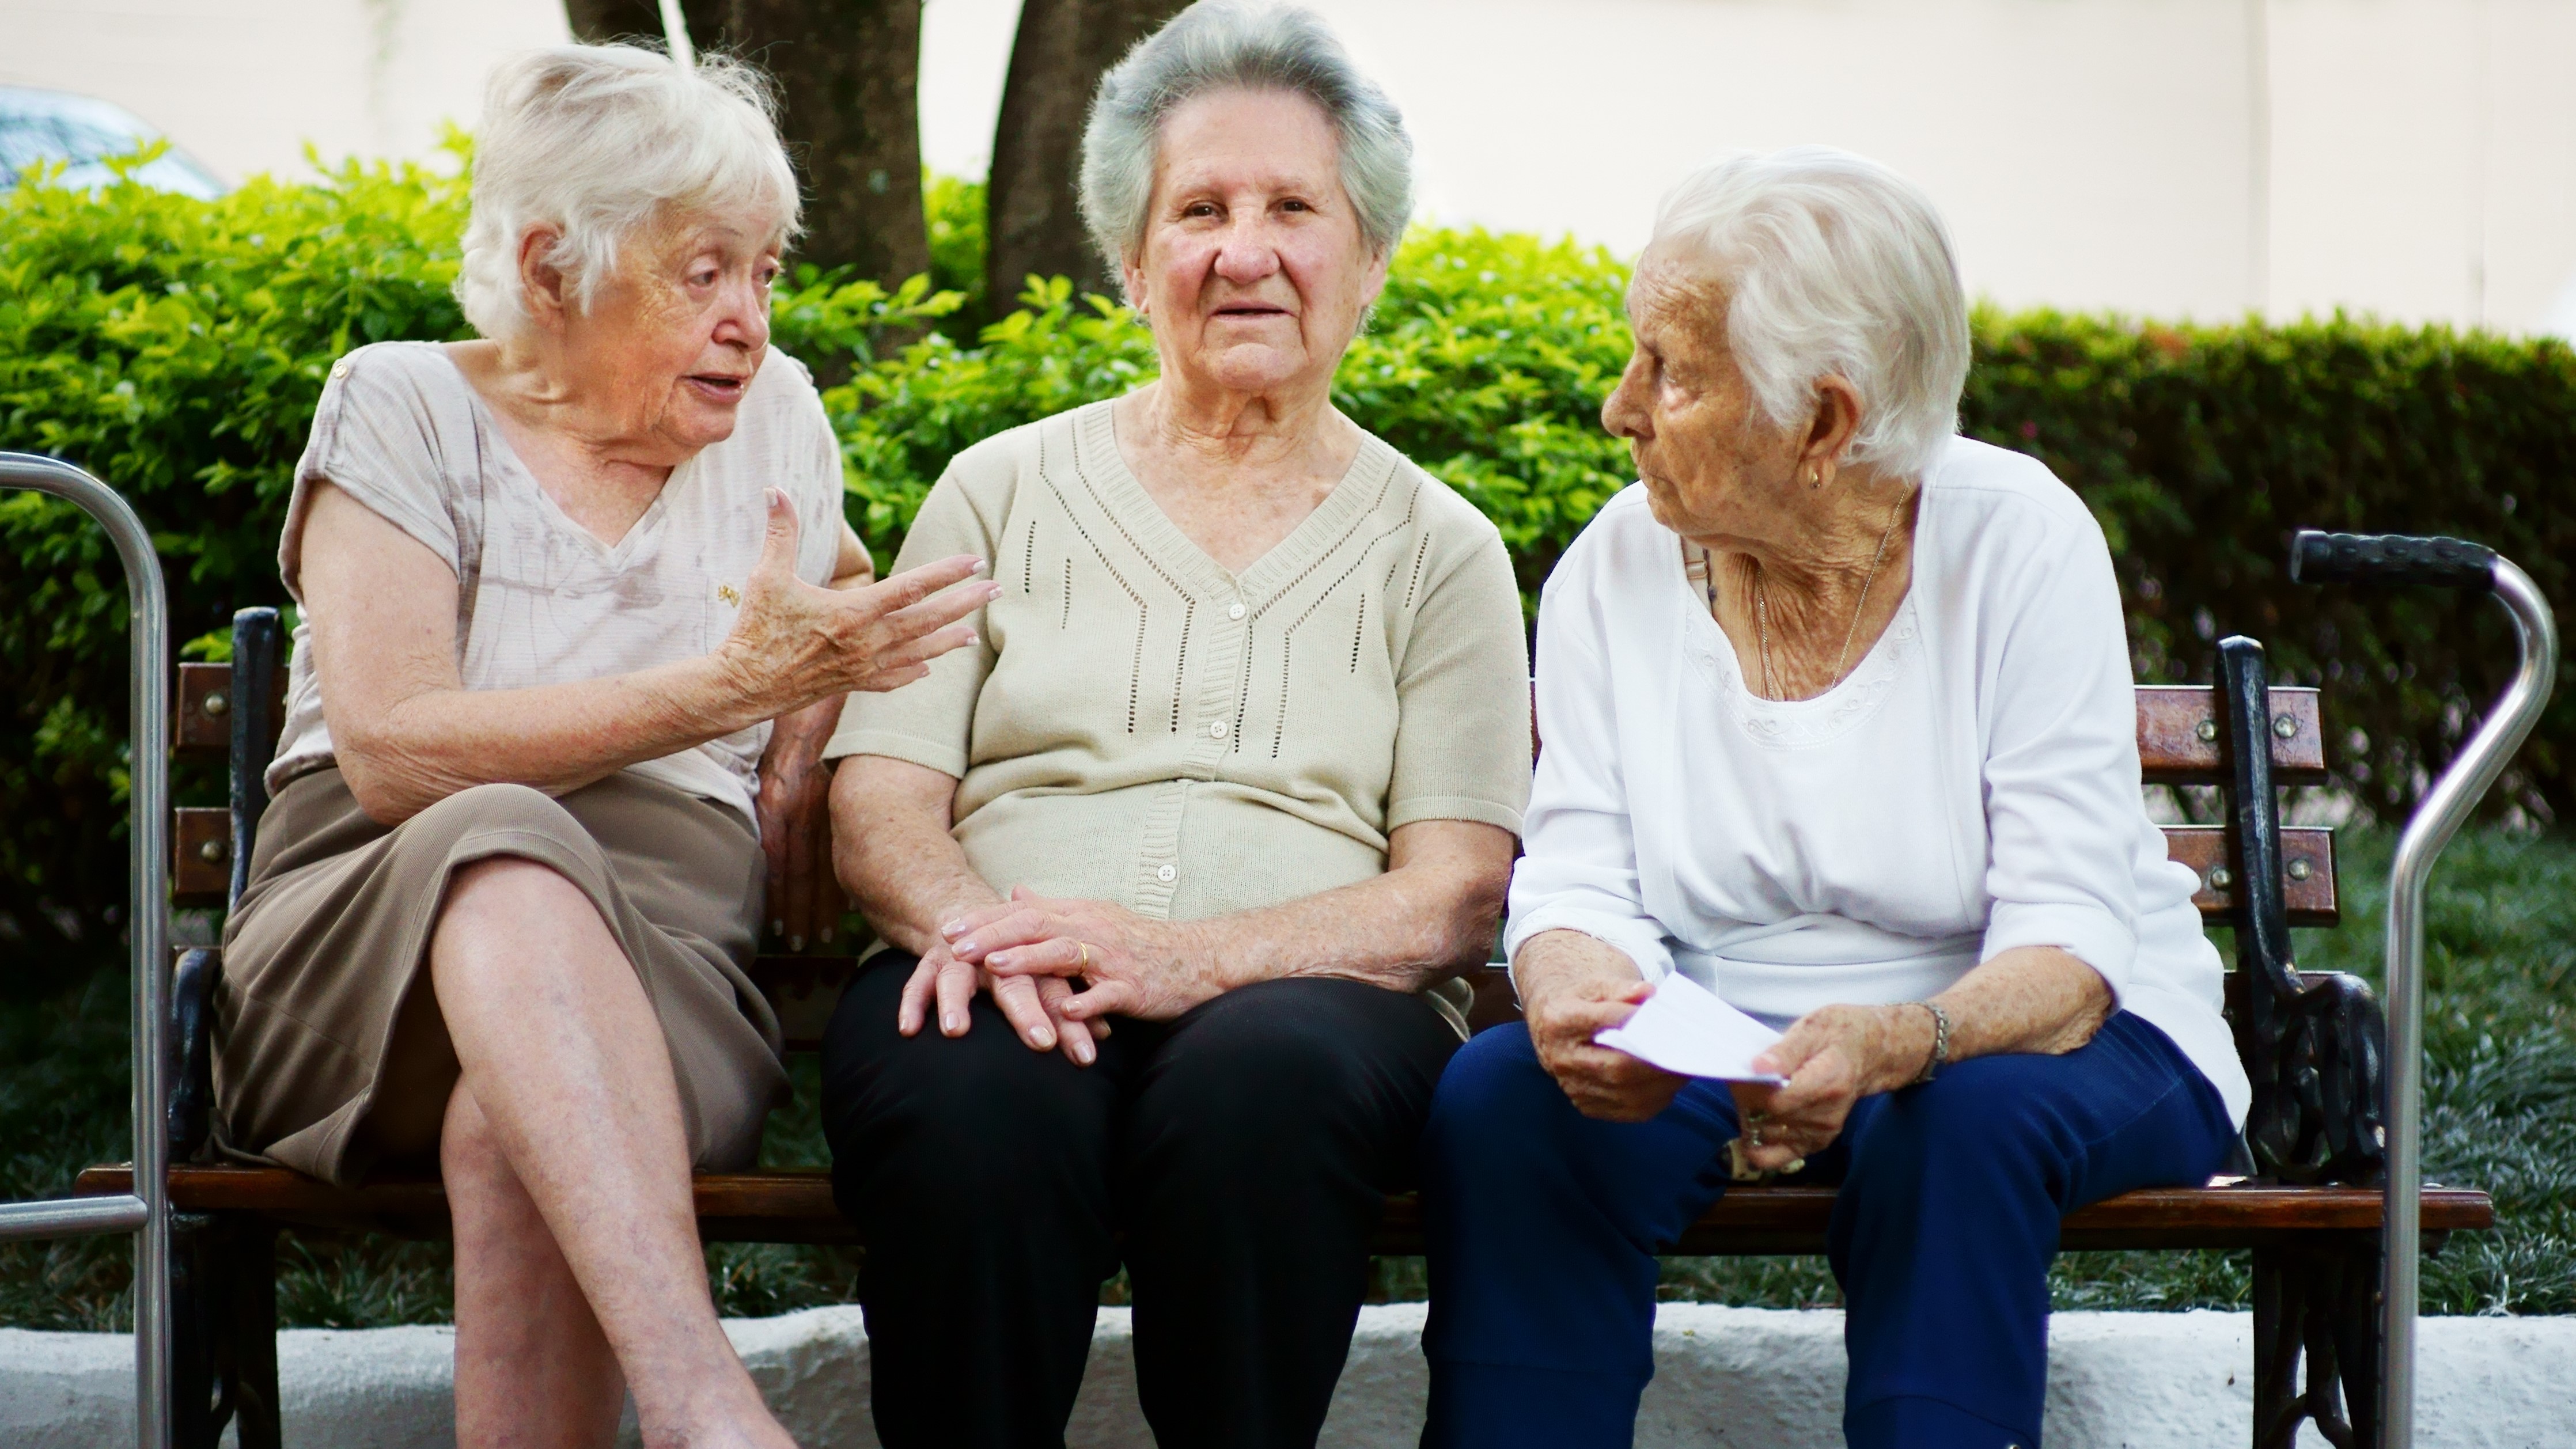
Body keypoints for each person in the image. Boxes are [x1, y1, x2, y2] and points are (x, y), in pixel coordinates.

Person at [211, 44, 994, 1449]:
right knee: (505, 846)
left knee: (516, 1126)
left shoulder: (779, 422)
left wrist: (806, 726)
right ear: (551, 268)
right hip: (362, 935)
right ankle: (706, 1409)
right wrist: (723, 696)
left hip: (658, 970)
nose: (749, 321)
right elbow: (393, 758)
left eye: (764, 272)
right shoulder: (398, 404)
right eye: (704, 273)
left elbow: (838, 599)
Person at [1416, 147, 2252, 1449]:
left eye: (1674, 372)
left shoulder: (2018, 541)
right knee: (1509, 1099)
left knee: (1955, 1128)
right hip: (1724, 1024)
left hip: (2046, 1034)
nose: (1618, 407)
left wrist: (1901, 1038)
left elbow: (2073, 938)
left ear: (1824, 421)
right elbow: (1579, 873)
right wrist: (1586, 997)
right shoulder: (1613, 570)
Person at [816, 5, 1533, 1446]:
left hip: (1317, 999)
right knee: (975, 1102)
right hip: (1000, 966)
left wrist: (1187, 962)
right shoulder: (995, 490)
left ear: (1367, 262)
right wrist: (988, 941)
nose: (1243, 250)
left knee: (1260, 1086)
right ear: (1135, 266)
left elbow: (1455, 889)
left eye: (1292, 209)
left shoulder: (1439, 547)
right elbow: (883, 800)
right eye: (1197, 210)